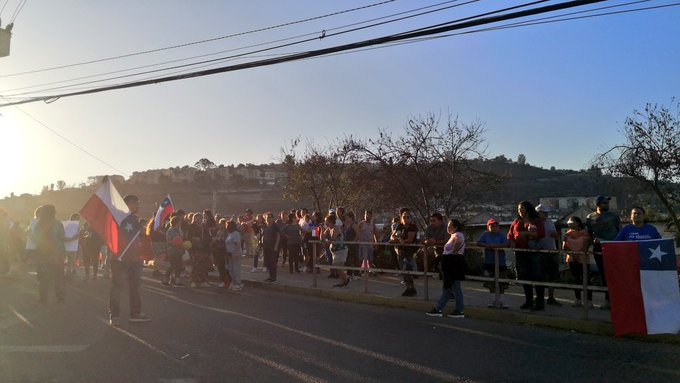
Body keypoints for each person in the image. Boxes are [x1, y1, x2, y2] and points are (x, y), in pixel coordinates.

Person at [109, 195, 151, 325]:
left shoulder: (135, 220)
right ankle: (114, 315)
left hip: (134, 258)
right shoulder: (118, 218)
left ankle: (135, 313)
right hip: (119, 258)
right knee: (117, 287)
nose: (138, 205)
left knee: (135, 287)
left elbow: (139, 237)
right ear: (127, 204)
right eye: (136, 203)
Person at [29, 205, 75, 304]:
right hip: (57, 254)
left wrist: (29, 235)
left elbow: (35, 239)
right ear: (53, 213)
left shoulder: (38, 224)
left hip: (42, 254)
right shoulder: (58, 224)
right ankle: (60, 298)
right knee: (58, 277)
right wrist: (73, 238)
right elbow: (62, 237)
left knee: (43, 278)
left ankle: (43, 298)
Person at [507, 201, 546, 311]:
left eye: (522, 208)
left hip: (534, 252)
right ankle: (528, 301)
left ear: (528, 209)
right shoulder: (516, 222)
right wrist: (512, 242)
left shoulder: (536, 221)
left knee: (537, 277)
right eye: (519, 209)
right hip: (520, 252)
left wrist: (526, 234)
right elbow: (510, 235)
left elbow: (541, 233)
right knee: (525, 277)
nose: (520, 211)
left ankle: (540, 302)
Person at [426, 219, 467, 318]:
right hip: (451, 262)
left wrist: (452, 252)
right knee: (449, 287)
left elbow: (458, 243)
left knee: (453, 287)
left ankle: (456, 310)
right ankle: (439, 308)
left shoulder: (458, 235)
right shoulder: (453, 235)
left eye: (450, 226)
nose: (448, 228)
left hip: (453, 263)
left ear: (455, 227)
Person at [586, 195, 621, 310]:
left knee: (613, 273)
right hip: (599, 248)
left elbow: (619, 231)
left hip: (613, 247)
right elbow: (589, 233)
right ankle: (608, 300)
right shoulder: (590, 217)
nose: (607, 204)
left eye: (607, 203)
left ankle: (615, 300)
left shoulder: (614, 216)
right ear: (598, 204)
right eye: (604, 203)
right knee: (603, 274)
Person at [477, 219, 509, 308]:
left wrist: (495, 247)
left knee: (502, 282)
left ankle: (502, 301)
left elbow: (506, 244)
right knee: (490, 282)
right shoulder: (485, 234)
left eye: (496, 226)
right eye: (492, 226)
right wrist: (487, 246)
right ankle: (492, 300)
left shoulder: (502, 235)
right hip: (489, 261)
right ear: (488, 227)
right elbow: (478, 243)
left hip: (500, 262)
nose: (494, 228)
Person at [563, 216, 593, 307]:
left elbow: (586, 245)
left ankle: (588, 300)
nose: (569, 223)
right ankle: (577, 299)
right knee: (576, 279)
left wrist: (579, 254)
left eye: (572, 221)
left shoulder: (585, 233)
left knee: (586, 279)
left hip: (583, 259)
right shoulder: (567, 234)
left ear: (578, 223)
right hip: (571, 259)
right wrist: (572, 254)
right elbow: (564, 247)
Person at [535, 204, 562, 306]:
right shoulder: (533, 223)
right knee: (539, 276)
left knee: (553, 275)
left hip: (551, 251)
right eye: (543, 212)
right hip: (539, 252)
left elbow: (555, 236)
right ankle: (539, 297)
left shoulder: (550, 222)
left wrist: (556, 236)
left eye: (546, 213)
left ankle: (551, 297)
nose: (545, 214)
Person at [391, 210, 418, 297]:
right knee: (403, 270)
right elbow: (393, 235)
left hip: (409, 251)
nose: (406, 219)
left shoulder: (412, 227)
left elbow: (409, 240)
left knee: (407, 268)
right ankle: (409, 288)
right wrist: (397, 239)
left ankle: (411, 288)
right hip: (400, 251)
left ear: (410, 218)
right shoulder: (400, 226)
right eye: (404, 217)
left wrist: (401, 240)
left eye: (408, 217)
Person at [422, 213, 449, 277]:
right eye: (431, 221)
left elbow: (447, 240)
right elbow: (423, 239)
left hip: (446, 252)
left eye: (434, 221)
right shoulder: (429, 228)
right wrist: (427, 241)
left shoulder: (446, 228)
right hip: (434, 252)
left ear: (440, 221)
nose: (432, 223)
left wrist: (436, 242)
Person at [326, 214, 349, 287]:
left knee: (337, 267)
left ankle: (346, 279)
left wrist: (327, 240)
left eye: (326, 222)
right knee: (337, 267)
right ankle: (343, 282)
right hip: (336, 252)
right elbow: (322, 236)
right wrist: (323, 230)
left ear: (330, 222)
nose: (325, 223)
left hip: (341, 251)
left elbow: (332, 239)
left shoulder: (336, 228)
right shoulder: (330, 228)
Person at [164, 215, 184, 286]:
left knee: (179, 266)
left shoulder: (180, 230)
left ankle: (177, 280)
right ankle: (165, 279)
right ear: (176, 222)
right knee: (173, 265)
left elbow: (181, 239)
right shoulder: (170, 230)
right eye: (179, 222)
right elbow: (168, 240)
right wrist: (175, 243)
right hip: (172, 251)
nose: (181, 223)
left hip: (179, 250)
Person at [262, 212, 280, 282]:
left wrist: (276, 245)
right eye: (267, 217)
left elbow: (278, 235)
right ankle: (270, 276)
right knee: (268, 262)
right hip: (266, 246)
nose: (268, 219)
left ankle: (273, 277)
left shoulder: (275, 226)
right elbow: (263, 235)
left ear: (272, 218)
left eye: (270, 217)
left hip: (272, 246)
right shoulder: (265, 226)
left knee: (273, 262)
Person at [225, 220, 243, 290]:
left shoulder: (236, 233)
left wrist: (236, 253)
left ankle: (237, 283)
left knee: (236, 268)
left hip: (235, 253)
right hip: (229, 253)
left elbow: (238, 244)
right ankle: (233, 282)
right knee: (231, 268)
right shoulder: (230, 233)